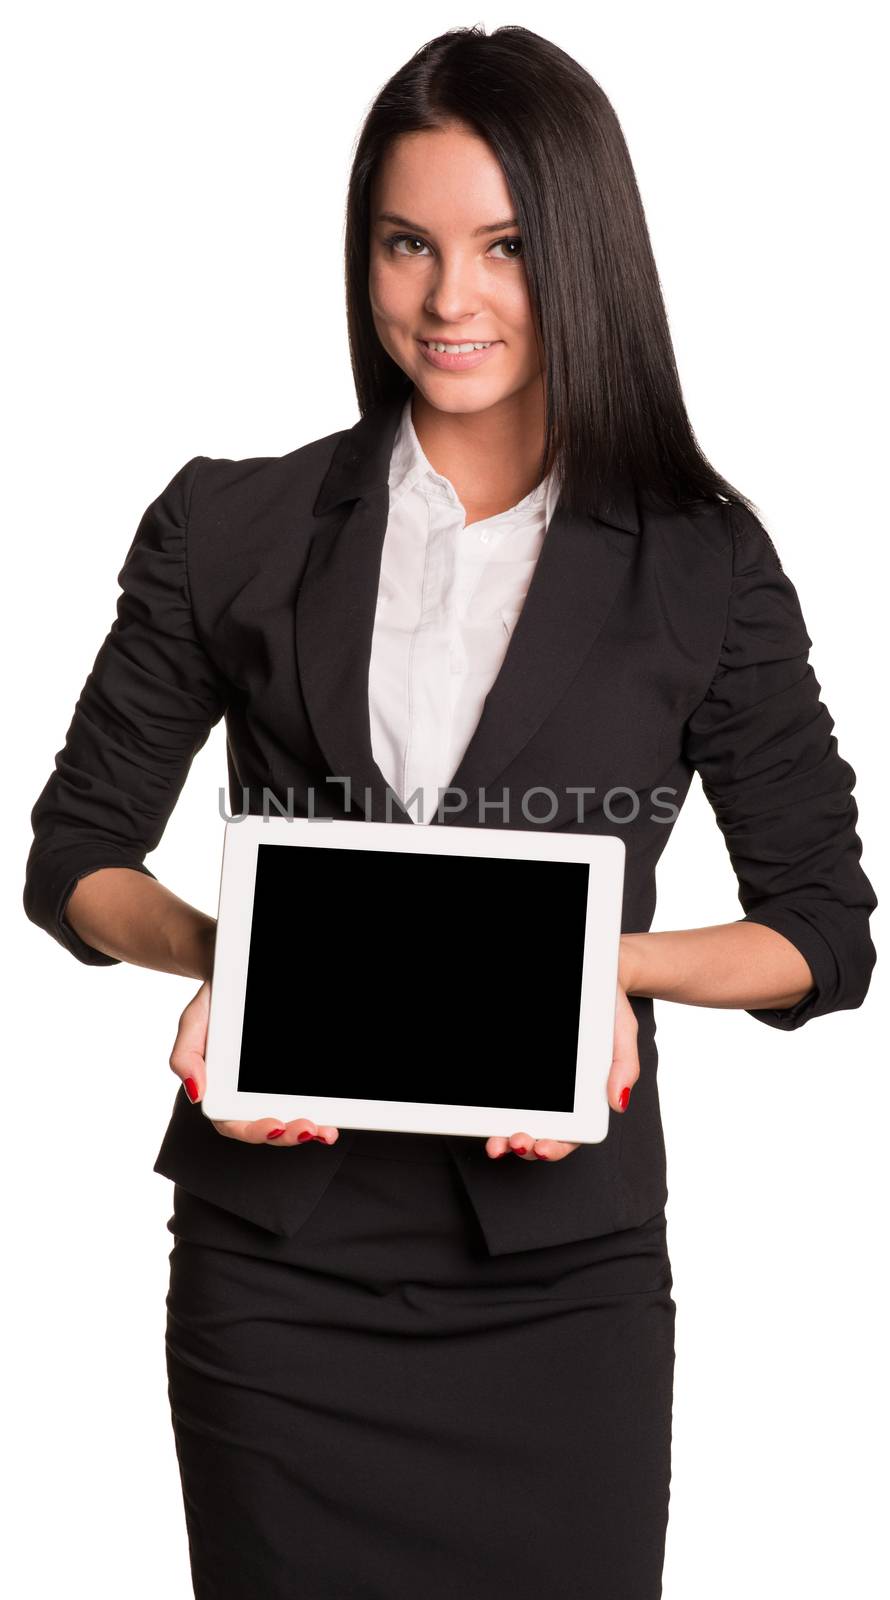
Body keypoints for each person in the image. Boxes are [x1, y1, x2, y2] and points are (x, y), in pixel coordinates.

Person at [23, 24, 878, 1600]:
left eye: (503, 247)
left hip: (557, 1281)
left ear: (586, 254)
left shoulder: (699, 563)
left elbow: (819, 940)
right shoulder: (232, 522)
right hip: (278, 1269)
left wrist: (589, 967)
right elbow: (73, 859)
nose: (446, 299)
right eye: (405, 243)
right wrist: (251, 960)